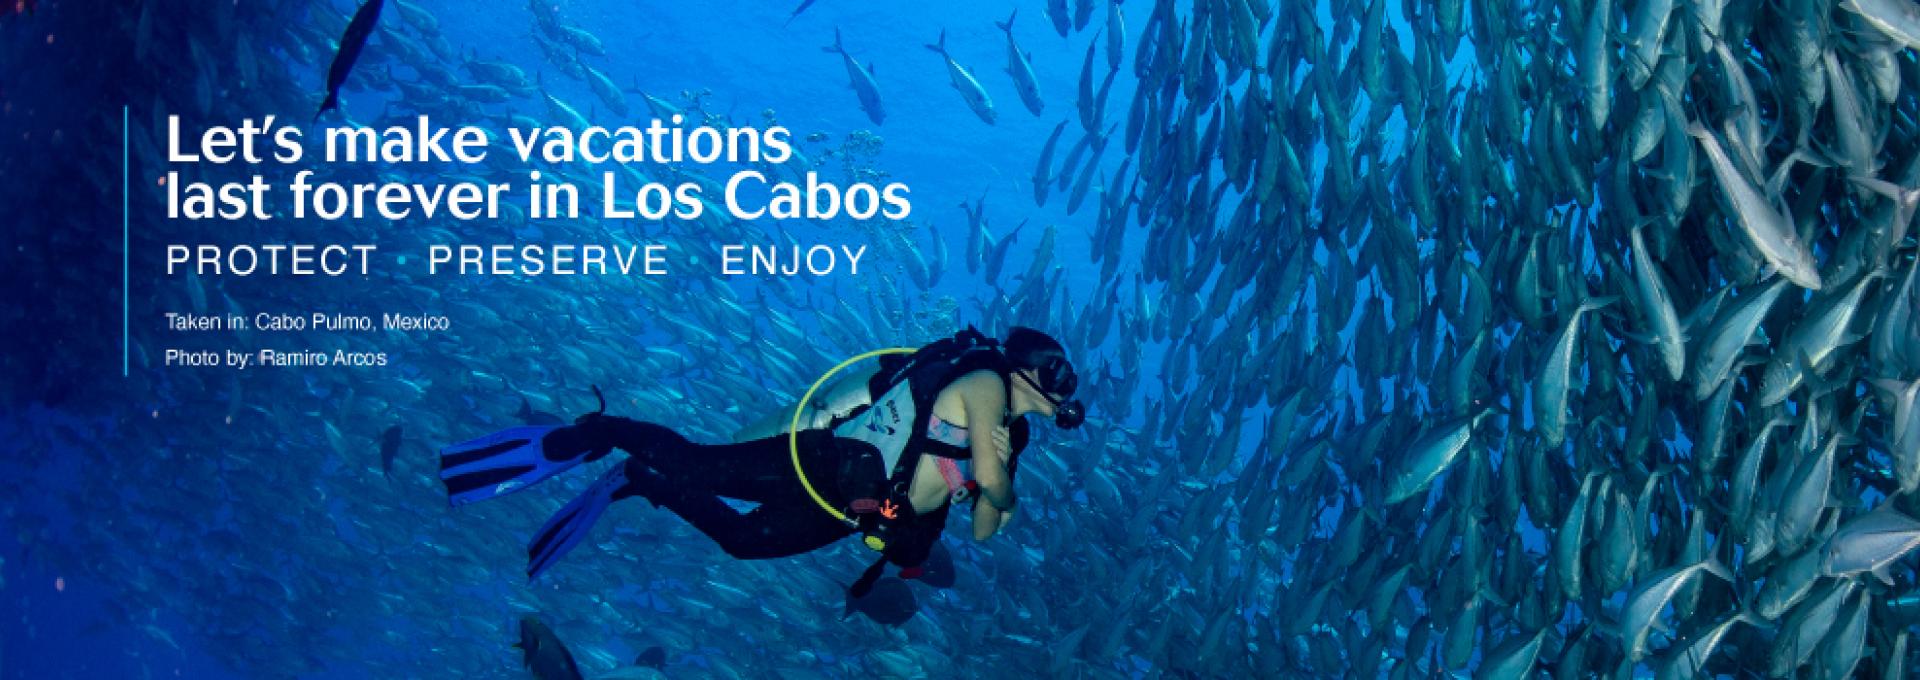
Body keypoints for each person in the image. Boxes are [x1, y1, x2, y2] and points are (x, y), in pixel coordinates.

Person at [438, 326, 1084, 584]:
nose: (1061, 390)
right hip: (829, 462)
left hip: (852, 510)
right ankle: (604, 430)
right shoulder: (984, 385)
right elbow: (992, 495)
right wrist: (995, 482)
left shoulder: (1011, 433)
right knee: (700, 464)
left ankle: (641, 478)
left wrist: (1000, 486)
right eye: (1056, 373)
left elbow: (984, 527)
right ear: (1024, 367)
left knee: (743, 544)